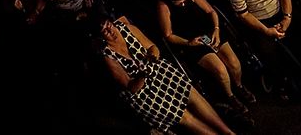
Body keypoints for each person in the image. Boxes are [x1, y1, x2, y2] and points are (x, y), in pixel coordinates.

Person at [97, 14, 235, 135]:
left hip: (157, 69)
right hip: (144, 92)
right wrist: (144, 73)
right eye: (105, 31)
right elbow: (131, 86)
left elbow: (153, 47)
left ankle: (227, 131)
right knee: (184, 116)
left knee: (190, 93)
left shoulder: (127, 28)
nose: (111, 30)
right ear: (101, 37)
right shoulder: (107, 55)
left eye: (109, 25)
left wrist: (153, 56)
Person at [157, 0, 255, 116]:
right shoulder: (163, 5)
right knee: (221, 70)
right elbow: (168, 35)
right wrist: (188, 43)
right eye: (179, 3)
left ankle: (239, 86)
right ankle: (230, 96)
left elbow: (211, 11)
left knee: (234, 63)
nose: (183, 3)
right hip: (191, 42)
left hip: (209, 32)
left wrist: (216, 29)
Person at [225, 0, 294, 100]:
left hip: (280, 12)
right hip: (259, 22)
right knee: (268, 51)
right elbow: (243, 14)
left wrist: (286, 18)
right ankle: (281, 84)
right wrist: (266, 30)